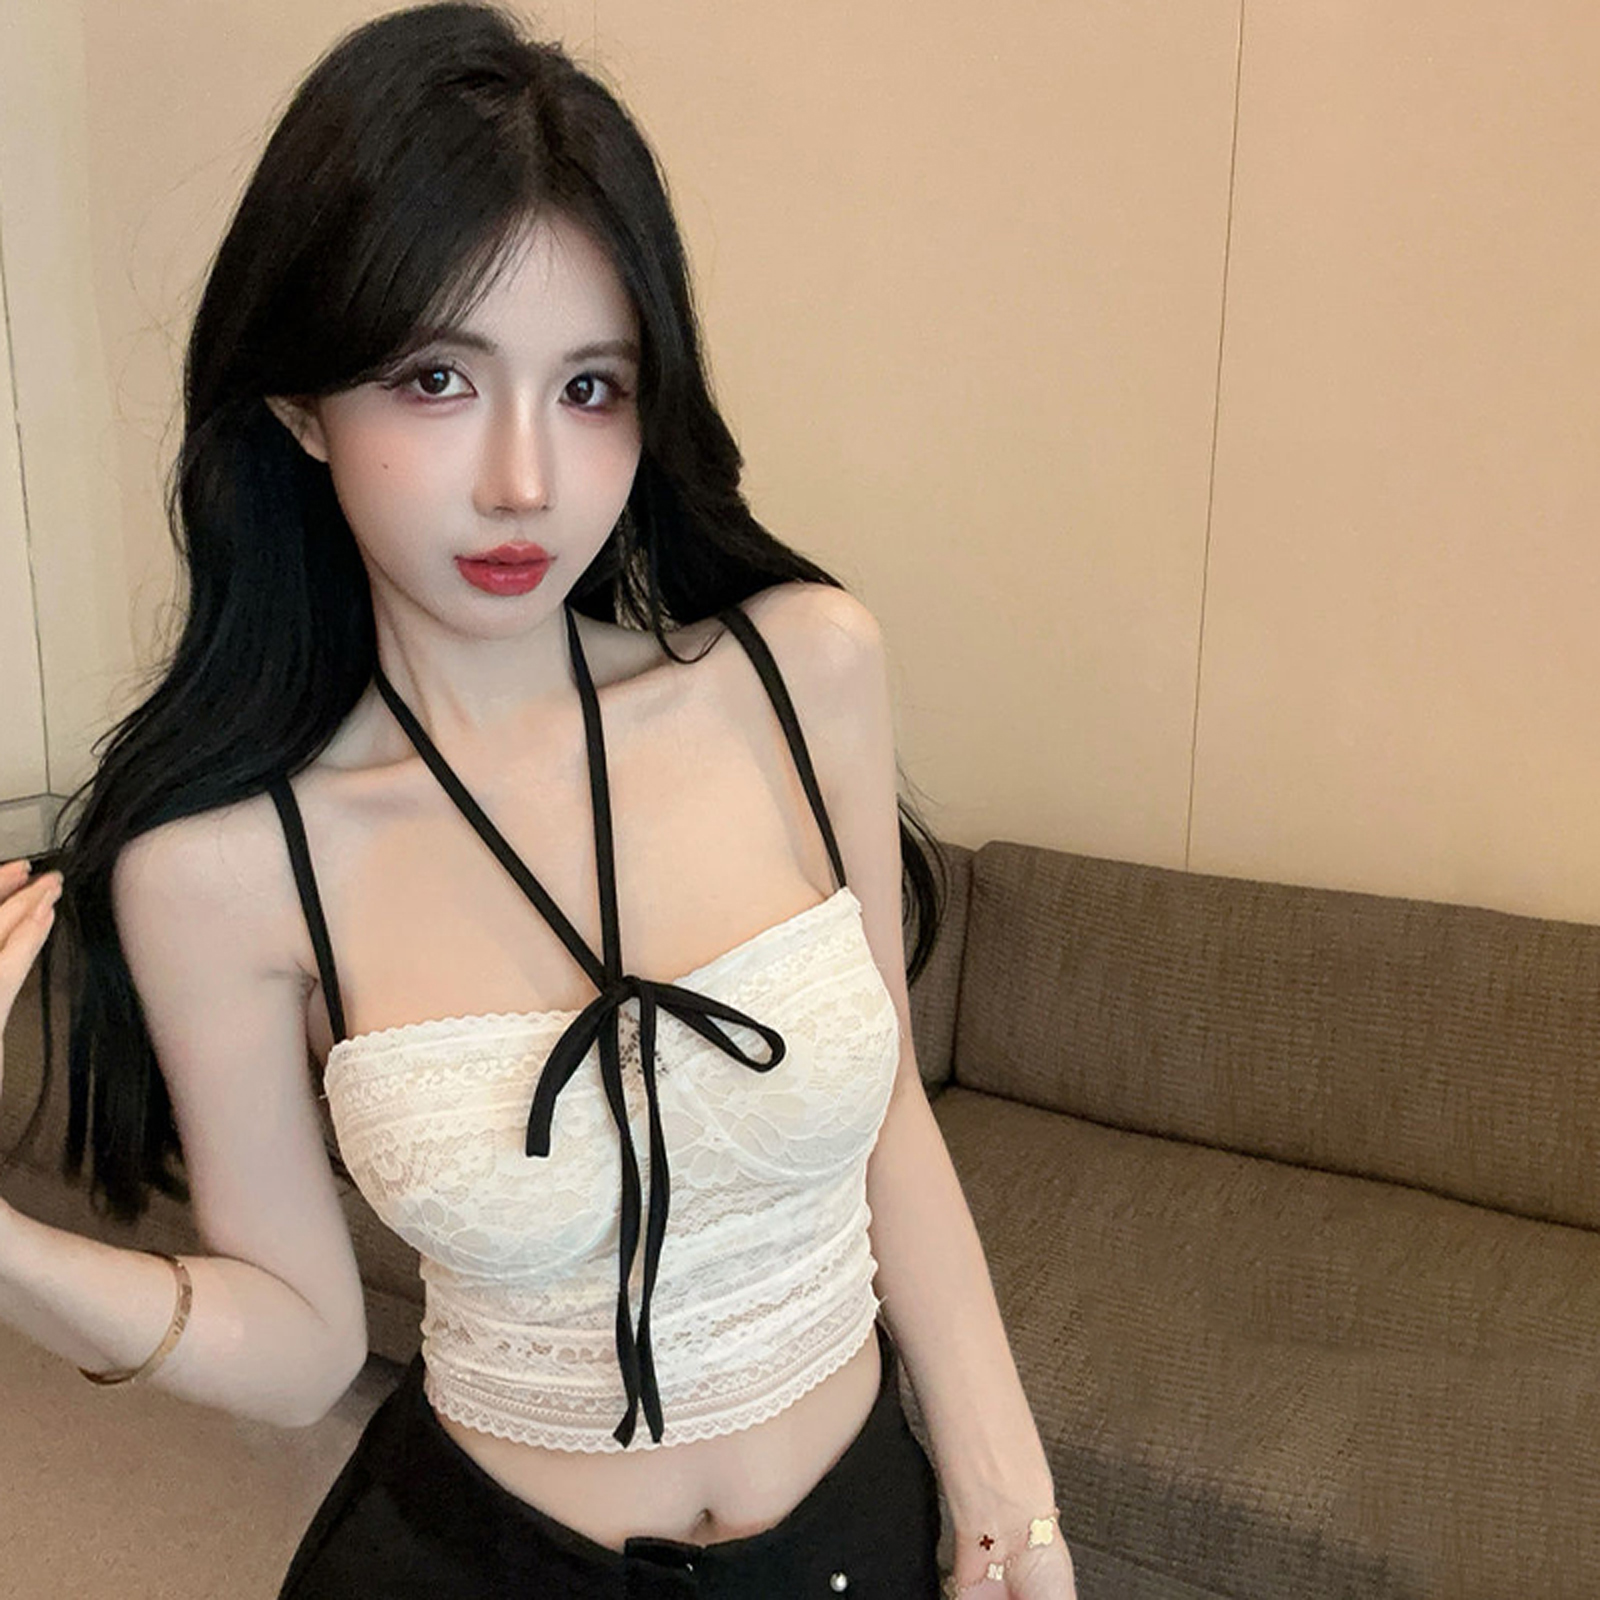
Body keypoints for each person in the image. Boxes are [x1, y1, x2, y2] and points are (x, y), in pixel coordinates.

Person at [0, 5, 1078, 1597]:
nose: (525, 482)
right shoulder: (226, 866)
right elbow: (302, 1347)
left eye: (590, 387)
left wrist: (1009, 1501)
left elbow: (888, 1120)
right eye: (437, 377)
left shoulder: (803, 675)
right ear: (300, 408)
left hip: (851, 1539)